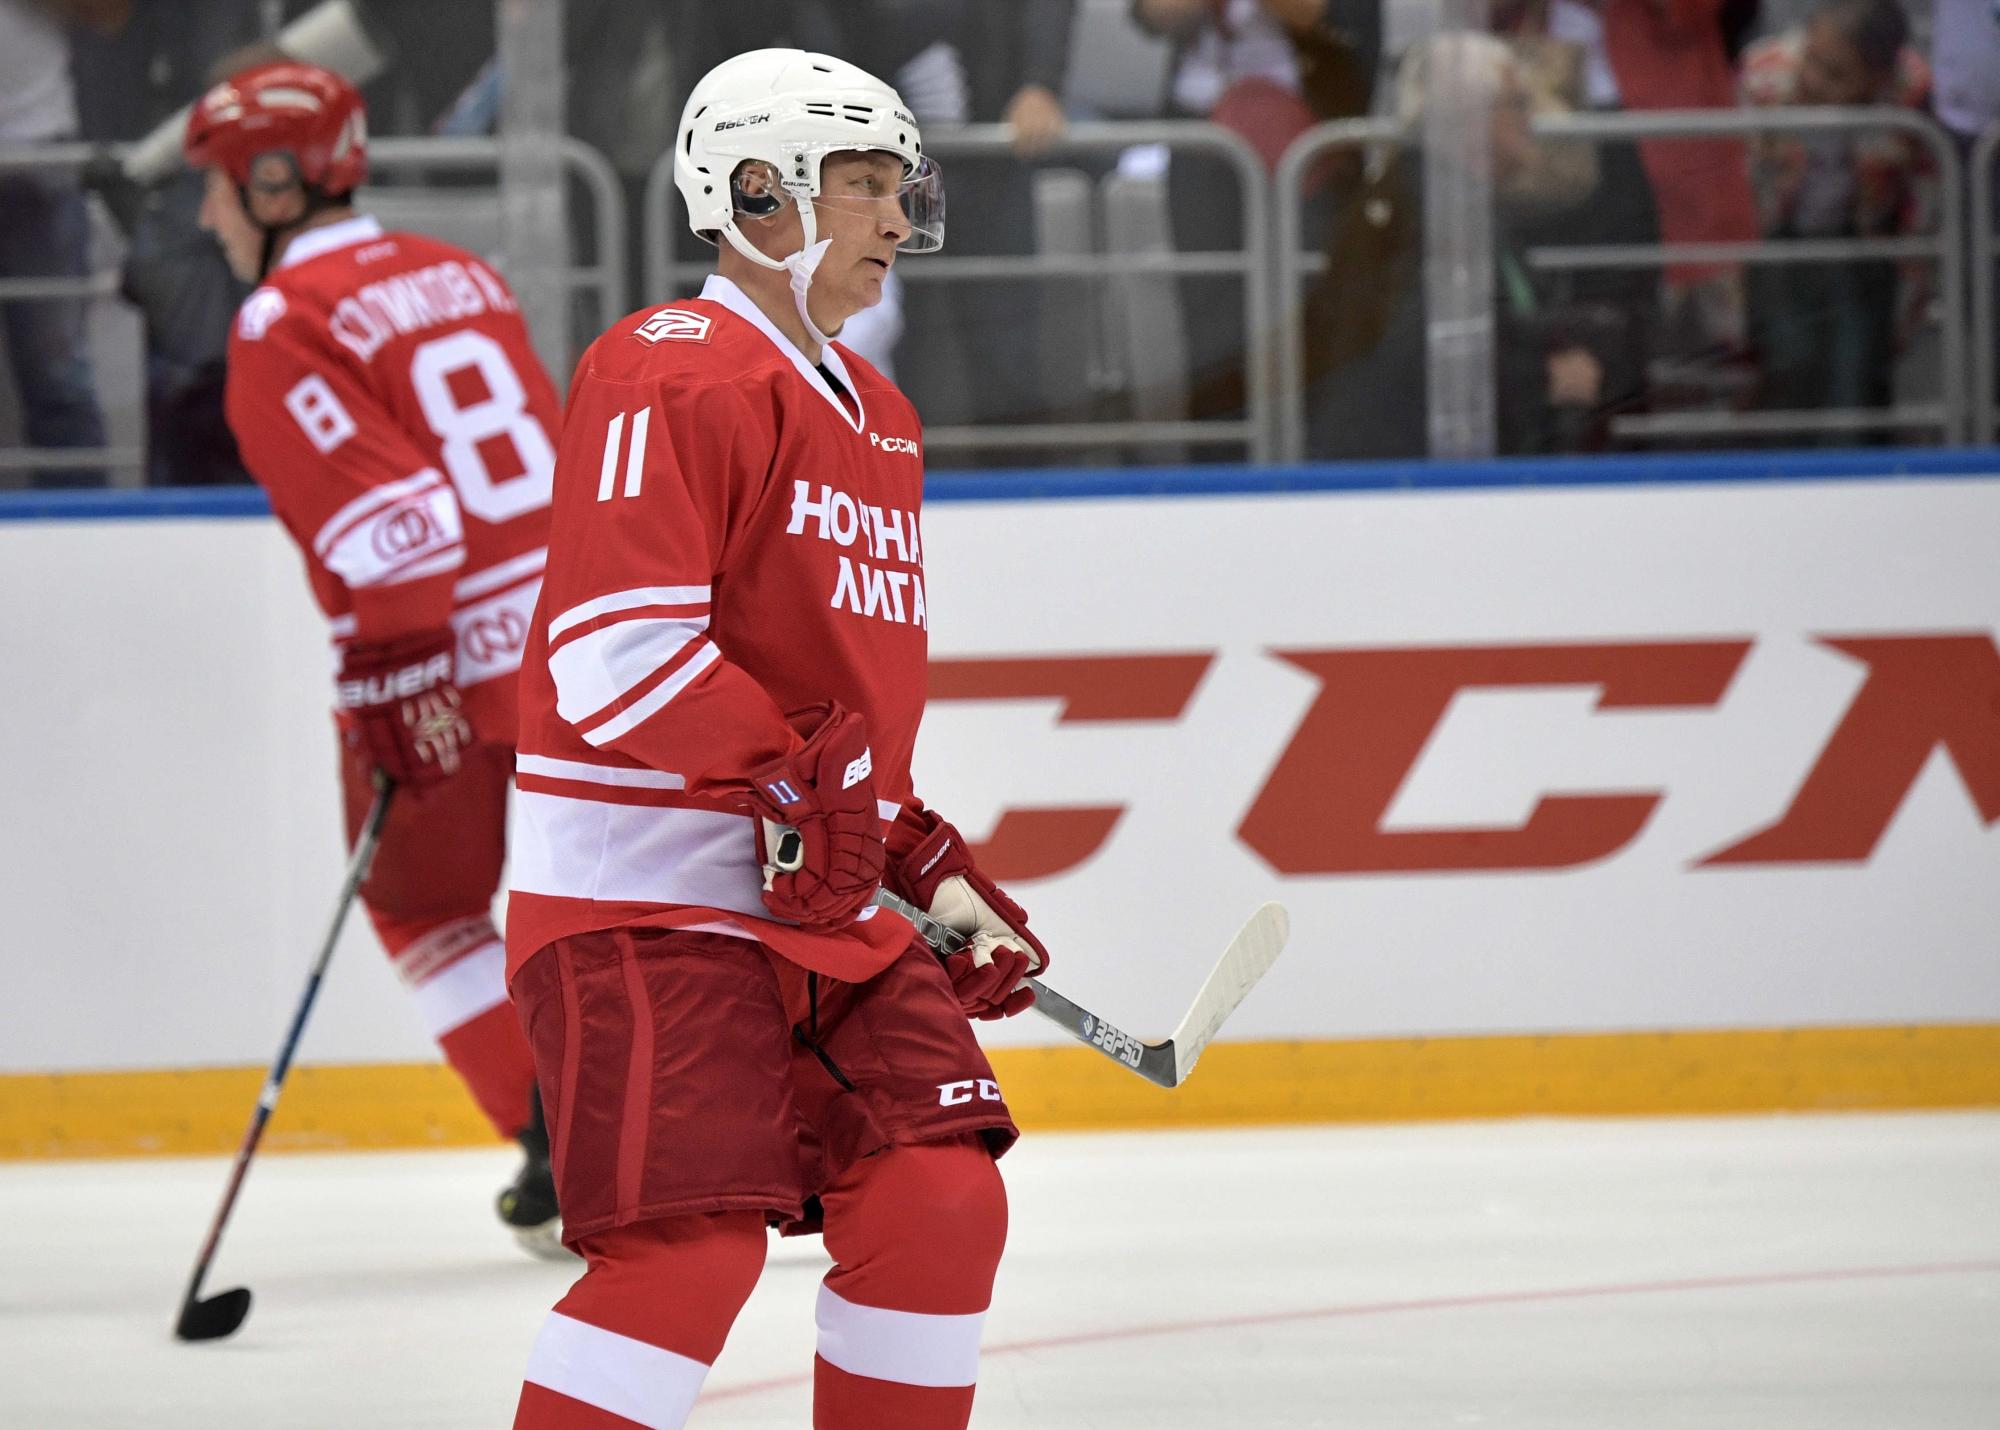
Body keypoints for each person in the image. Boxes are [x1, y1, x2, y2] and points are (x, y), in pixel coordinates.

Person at [506, 47, 1045, 1430]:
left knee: (939, 1199)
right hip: (647, 897)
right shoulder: (669, 368)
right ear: (755, 192)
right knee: (684, 1255)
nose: (893, 216)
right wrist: (816, 792)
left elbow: (832, 704)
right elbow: (614, 653)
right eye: (860, 183)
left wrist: (921, 858)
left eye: (897, 187)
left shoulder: (884, 419)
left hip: (818, 897)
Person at [181, 60, 564, 1252]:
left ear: (276, 183)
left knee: (422, 906)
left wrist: (394, 676)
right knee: (633, 901)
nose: (207, 214)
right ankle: (787, 1125)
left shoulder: (278, 320)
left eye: (219, 187)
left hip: (441, 660)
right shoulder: (462, 271)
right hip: (573, 642)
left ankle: (558, 1142)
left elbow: (404, 527)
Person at [1740, 0, 1933, 434]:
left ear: (1878, 77)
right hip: (1779, 240)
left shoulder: (1910, 92)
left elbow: (1923, 206)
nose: (1811, 78)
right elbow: (1737, 193)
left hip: (1863, 245)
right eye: (1809, 58)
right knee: (1788, 364)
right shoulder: (1764, 77)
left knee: (1857, 377)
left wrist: (1910, 304)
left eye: (1834, 73)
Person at [0, 0, 112, 487]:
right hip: (43, 162)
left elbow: (112, 13)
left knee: (59, 379)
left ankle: (84, 528)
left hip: (40, 154)